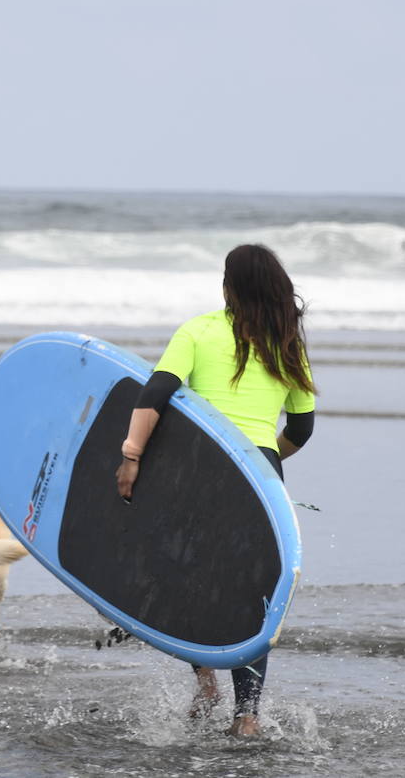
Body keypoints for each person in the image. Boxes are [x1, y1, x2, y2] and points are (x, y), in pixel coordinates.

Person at [114, 243, 316, 737]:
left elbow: (155, 391)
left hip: (200, 472)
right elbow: (304, 426)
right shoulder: (286, 342)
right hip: (262, 477)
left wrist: (132, 455)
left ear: (228, 285)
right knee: (252, 597)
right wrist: (262, 463)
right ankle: (247, 715)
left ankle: (205, 681)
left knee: (182, 577)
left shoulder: (200, 329)